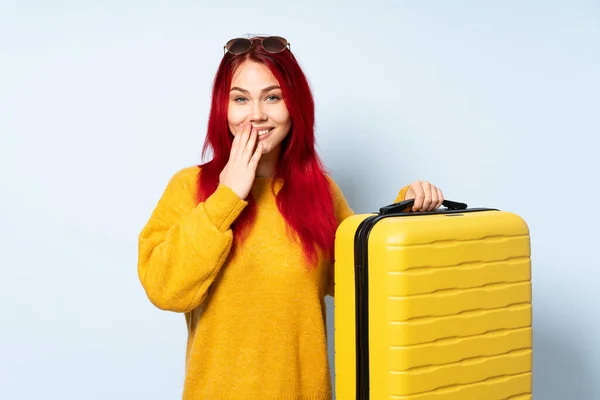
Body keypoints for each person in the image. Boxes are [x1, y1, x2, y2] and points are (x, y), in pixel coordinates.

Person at [137, 35, 445, 400]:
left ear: (293, 105)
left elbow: (363, 286)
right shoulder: (191, 187)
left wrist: (403, 214)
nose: (256, 114)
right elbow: (164, 289)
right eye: (240, 99)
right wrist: (227, 197)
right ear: (223, 107)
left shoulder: (321, 193)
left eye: (272, 97)